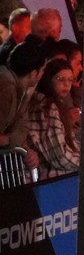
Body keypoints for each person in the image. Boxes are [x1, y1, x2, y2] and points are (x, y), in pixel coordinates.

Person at [27, 58, 80, 179]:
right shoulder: (47, 107)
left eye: (70, 80)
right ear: (48, 80)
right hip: (51, 177)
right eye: (60, 79)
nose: (66, 84)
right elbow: (60, 157)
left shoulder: (54, 105)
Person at [1, 40, 46, 170]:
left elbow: (21, 128)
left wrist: (21, 145)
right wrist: (8, 141)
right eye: (43, 70)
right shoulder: (6, 89)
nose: (43, 74)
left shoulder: (20, 91)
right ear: (33, 73)